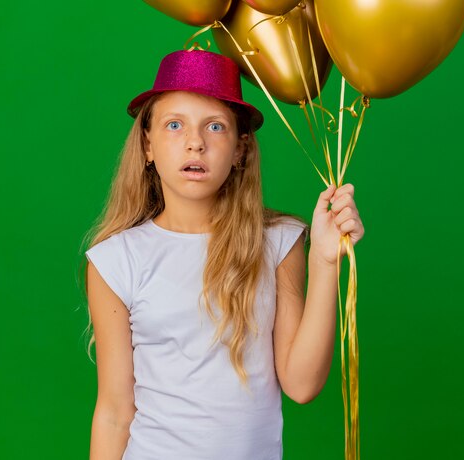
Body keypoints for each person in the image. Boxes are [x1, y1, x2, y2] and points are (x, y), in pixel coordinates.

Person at [82, 49, 365, 460]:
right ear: (148, 145)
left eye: (214, 127)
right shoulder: (115, 261)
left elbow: (302, 385)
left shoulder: (278, 243)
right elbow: (113, 412)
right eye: (174, 125)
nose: (195, 143)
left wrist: (325, 262)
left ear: (240, 150)